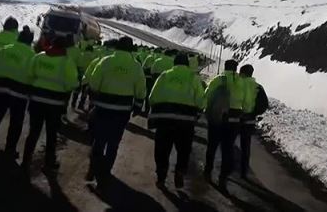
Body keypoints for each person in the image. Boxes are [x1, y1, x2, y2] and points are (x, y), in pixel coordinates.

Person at [86, 36, 146, 185]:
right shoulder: (136, 66)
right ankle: (105, 174)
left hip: (103, 107)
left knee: (99, 140)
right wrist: (138, 106)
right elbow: (140, 89)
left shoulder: (105, 61)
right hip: (122, 111)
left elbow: (93, 82)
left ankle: (93, 168)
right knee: (113, 143)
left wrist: (93, 98)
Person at [22, 35, 78, 174]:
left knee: (33, 132)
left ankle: (25, 160)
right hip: (55, 103)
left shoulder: (39, 57)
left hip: (37, 100)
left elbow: (29, 75)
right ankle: (49, 163)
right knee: (51, 133)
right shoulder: (67, 62)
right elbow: (72, 83)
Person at [148, 53, 205, 189]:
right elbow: (201, 101)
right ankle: (179, 171)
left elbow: (152, 97)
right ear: (187, 64)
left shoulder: (164, 75)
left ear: (174, 63)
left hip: (165, 121)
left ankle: (161, 176)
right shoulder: (194, 78)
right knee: (184, 150)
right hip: (185, 122)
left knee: (162, 149)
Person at [0, 27, 36, 160]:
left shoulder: (4, 50)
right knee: (16, 122)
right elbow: (34, 77)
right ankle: (10, 149)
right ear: (30, 41)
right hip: (20, 93)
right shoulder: (33, 57)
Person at [204, 59, 246, 191]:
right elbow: (248, 102)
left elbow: (207, 95)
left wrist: (206, 110)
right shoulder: (241, 82)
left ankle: (208, 171)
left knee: (212, 146)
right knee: (227, 149)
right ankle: (223, 177)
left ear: (225, 67)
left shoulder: (218, 79)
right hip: (234, 119)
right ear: (236, 69)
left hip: (217, 118)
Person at [238, 64, 268, 178]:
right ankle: (243, 172)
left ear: (242, 73)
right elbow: (264, 104)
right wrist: (253, 113)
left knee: (228, 144)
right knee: (245, 147)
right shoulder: (258, 87)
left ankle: (227, 169)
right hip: (249, 122)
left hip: (235, 120)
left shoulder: (237, 84)